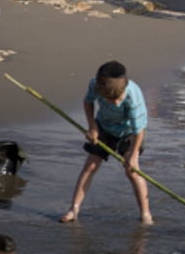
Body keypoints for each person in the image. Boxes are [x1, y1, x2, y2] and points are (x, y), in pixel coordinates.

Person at [61, 60, 152, 225]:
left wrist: (132, 157)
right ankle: (74, 209)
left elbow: (139, 131)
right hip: (104, 126)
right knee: (91, 165)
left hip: (129, 133)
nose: (116, 102)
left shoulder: (132, 97)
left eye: (118, 98)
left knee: (132, 172)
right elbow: (88, 102)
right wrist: (92, 127)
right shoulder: (95, 85)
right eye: (110, 99)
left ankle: (145, 214)